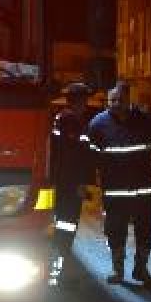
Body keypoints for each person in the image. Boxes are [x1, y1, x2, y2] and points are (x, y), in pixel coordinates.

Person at [85, 81, 151, 287]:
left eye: (120, 99)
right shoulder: (97, 125)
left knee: (146, 231)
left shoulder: (147, 122)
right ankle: (117, 270)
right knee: (114, 231)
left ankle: (141, 270)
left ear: (129, 100)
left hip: (144, 191)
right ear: (107, 101)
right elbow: (91, 156)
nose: (116, 103)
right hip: (115, 192)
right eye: (112, 100)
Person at [48, 81, 94, 285]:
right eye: (85, 99)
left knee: (62, 224)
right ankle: (60, 270)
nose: (86, 104)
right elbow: (74, 156)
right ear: (79, 100)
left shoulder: (61, 119)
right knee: (67, 225)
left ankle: (59, 266)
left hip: (62, 181)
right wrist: (79, 183)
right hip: (69, 184)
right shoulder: (71, 121)